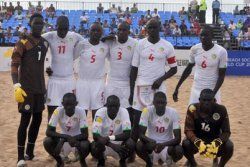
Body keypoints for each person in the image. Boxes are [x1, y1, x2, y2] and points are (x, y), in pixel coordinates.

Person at [130, 18, 177, 142]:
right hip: (141, 87)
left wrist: (161, 79)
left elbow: (174, 69)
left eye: (154, 27)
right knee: (137, 121)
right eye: (149, 27)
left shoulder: (167, 46)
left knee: (156, 119)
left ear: (159, 28)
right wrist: (131, 90)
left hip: (158, 88)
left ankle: (154, 146)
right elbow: (134, 68)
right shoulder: (140, 44)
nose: (151, 30)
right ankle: (132, 152)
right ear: (146, 29)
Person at [11, 13, 49, 167]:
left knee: (38, 119)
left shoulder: (45, 43)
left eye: (41, 23)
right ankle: (20, 157)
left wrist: (50, 70)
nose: (39, 26)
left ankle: (30, 152)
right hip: (26, 89)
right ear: (30, 23)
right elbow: (14, 64)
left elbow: (41, 64)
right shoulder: (22, 42)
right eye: (36, 23)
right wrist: (16, 85)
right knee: (25, 121)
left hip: (40, 88)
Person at [42, 16, 84, 122]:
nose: (63, 31)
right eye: (60, 28)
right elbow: (36, 38)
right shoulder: (50, 36)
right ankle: (51, 135)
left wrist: (74, 55)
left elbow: (86, 43)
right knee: (52, 110)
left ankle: (71, 135)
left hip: (69, 79)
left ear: (68, 27)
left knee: (72, 110)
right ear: (56, 27)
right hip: (54, 80)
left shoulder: (74, 36)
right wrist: (47, 67)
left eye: (65, 28)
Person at [173, 25, 228, 104]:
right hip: (196, 89)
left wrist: (213, 93)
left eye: (206, 35)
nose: (203, 37)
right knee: (193, 114)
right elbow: (188, 69)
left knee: (213, 115)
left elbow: (221, 76)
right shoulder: (194, 49)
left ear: (212, 36)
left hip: (212, 90)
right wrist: (177, 87)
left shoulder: (221, 51)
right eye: (201, 35)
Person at [182, 89, 233, 167]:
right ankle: (193, 164)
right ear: (199, 100)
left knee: (229, 146)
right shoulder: (192, 108)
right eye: (204, 100)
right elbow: (188, 130)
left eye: (209, 100)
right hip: (198, 139)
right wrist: (197, 141)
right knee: (185, 144)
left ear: (214, 100)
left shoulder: (221, 109)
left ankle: (220, 165)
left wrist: (218, 142)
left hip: (214, 140)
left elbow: (226, 132)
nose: (206, 103)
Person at [136, 92, 183, 167]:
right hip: (152, 146)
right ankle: (149, 162)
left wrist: (163, 145)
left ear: (166, 103)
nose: (160, 105)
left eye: (162, 103)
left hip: (167, 146)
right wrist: (151, 141)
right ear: (153, 103)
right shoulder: (146, 111)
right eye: (158, 103)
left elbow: (178, 138)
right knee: (139, 145)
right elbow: (140, 134)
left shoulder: (173, 112)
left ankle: (170, 162)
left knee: (179, 149)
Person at [43, 93, 90, 167]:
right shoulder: (58, 110)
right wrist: (65, 137)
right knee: (47, 141)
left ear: (76, 104)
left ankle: (82, 160)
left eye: (71, 105)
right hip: (63, 140)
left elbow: (85, 135)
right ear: (62, 104)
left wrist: (65, 139)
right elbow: (48, 132)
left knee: (86, 144)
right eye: (66, 105)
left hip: (76, 141)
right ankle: (60, 161)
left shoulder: (81, 111)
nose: (68, 107)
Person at [74, 22, 109, 120]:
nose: (95, 32)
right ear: (89, 31)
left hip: (98, 83)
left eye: (98, 30)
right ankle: (82, 134)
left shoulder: (105, 47)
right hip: (82, 82)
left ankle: (96, 134)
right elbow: (70, 58)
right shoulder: (82, 44)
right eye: (93, 30)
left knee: (98, 112)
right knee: (81, 111)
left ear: (102, 33)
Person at [91, 95, 135, 167]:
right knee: (94, 145)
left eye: (116, 106)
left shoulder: (124, 111)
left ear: (119, 106)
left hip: (119, 144)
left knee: (131, 143)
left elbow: (127, 134)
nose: (113, 109)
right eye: (110, 106)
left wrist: (109, 138)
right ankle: (101, 161)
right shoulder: (100, 112)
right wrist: (112, 145)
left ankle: (122, 160)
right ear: (106, 105)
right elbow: (95, 136)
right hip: (104, 144)